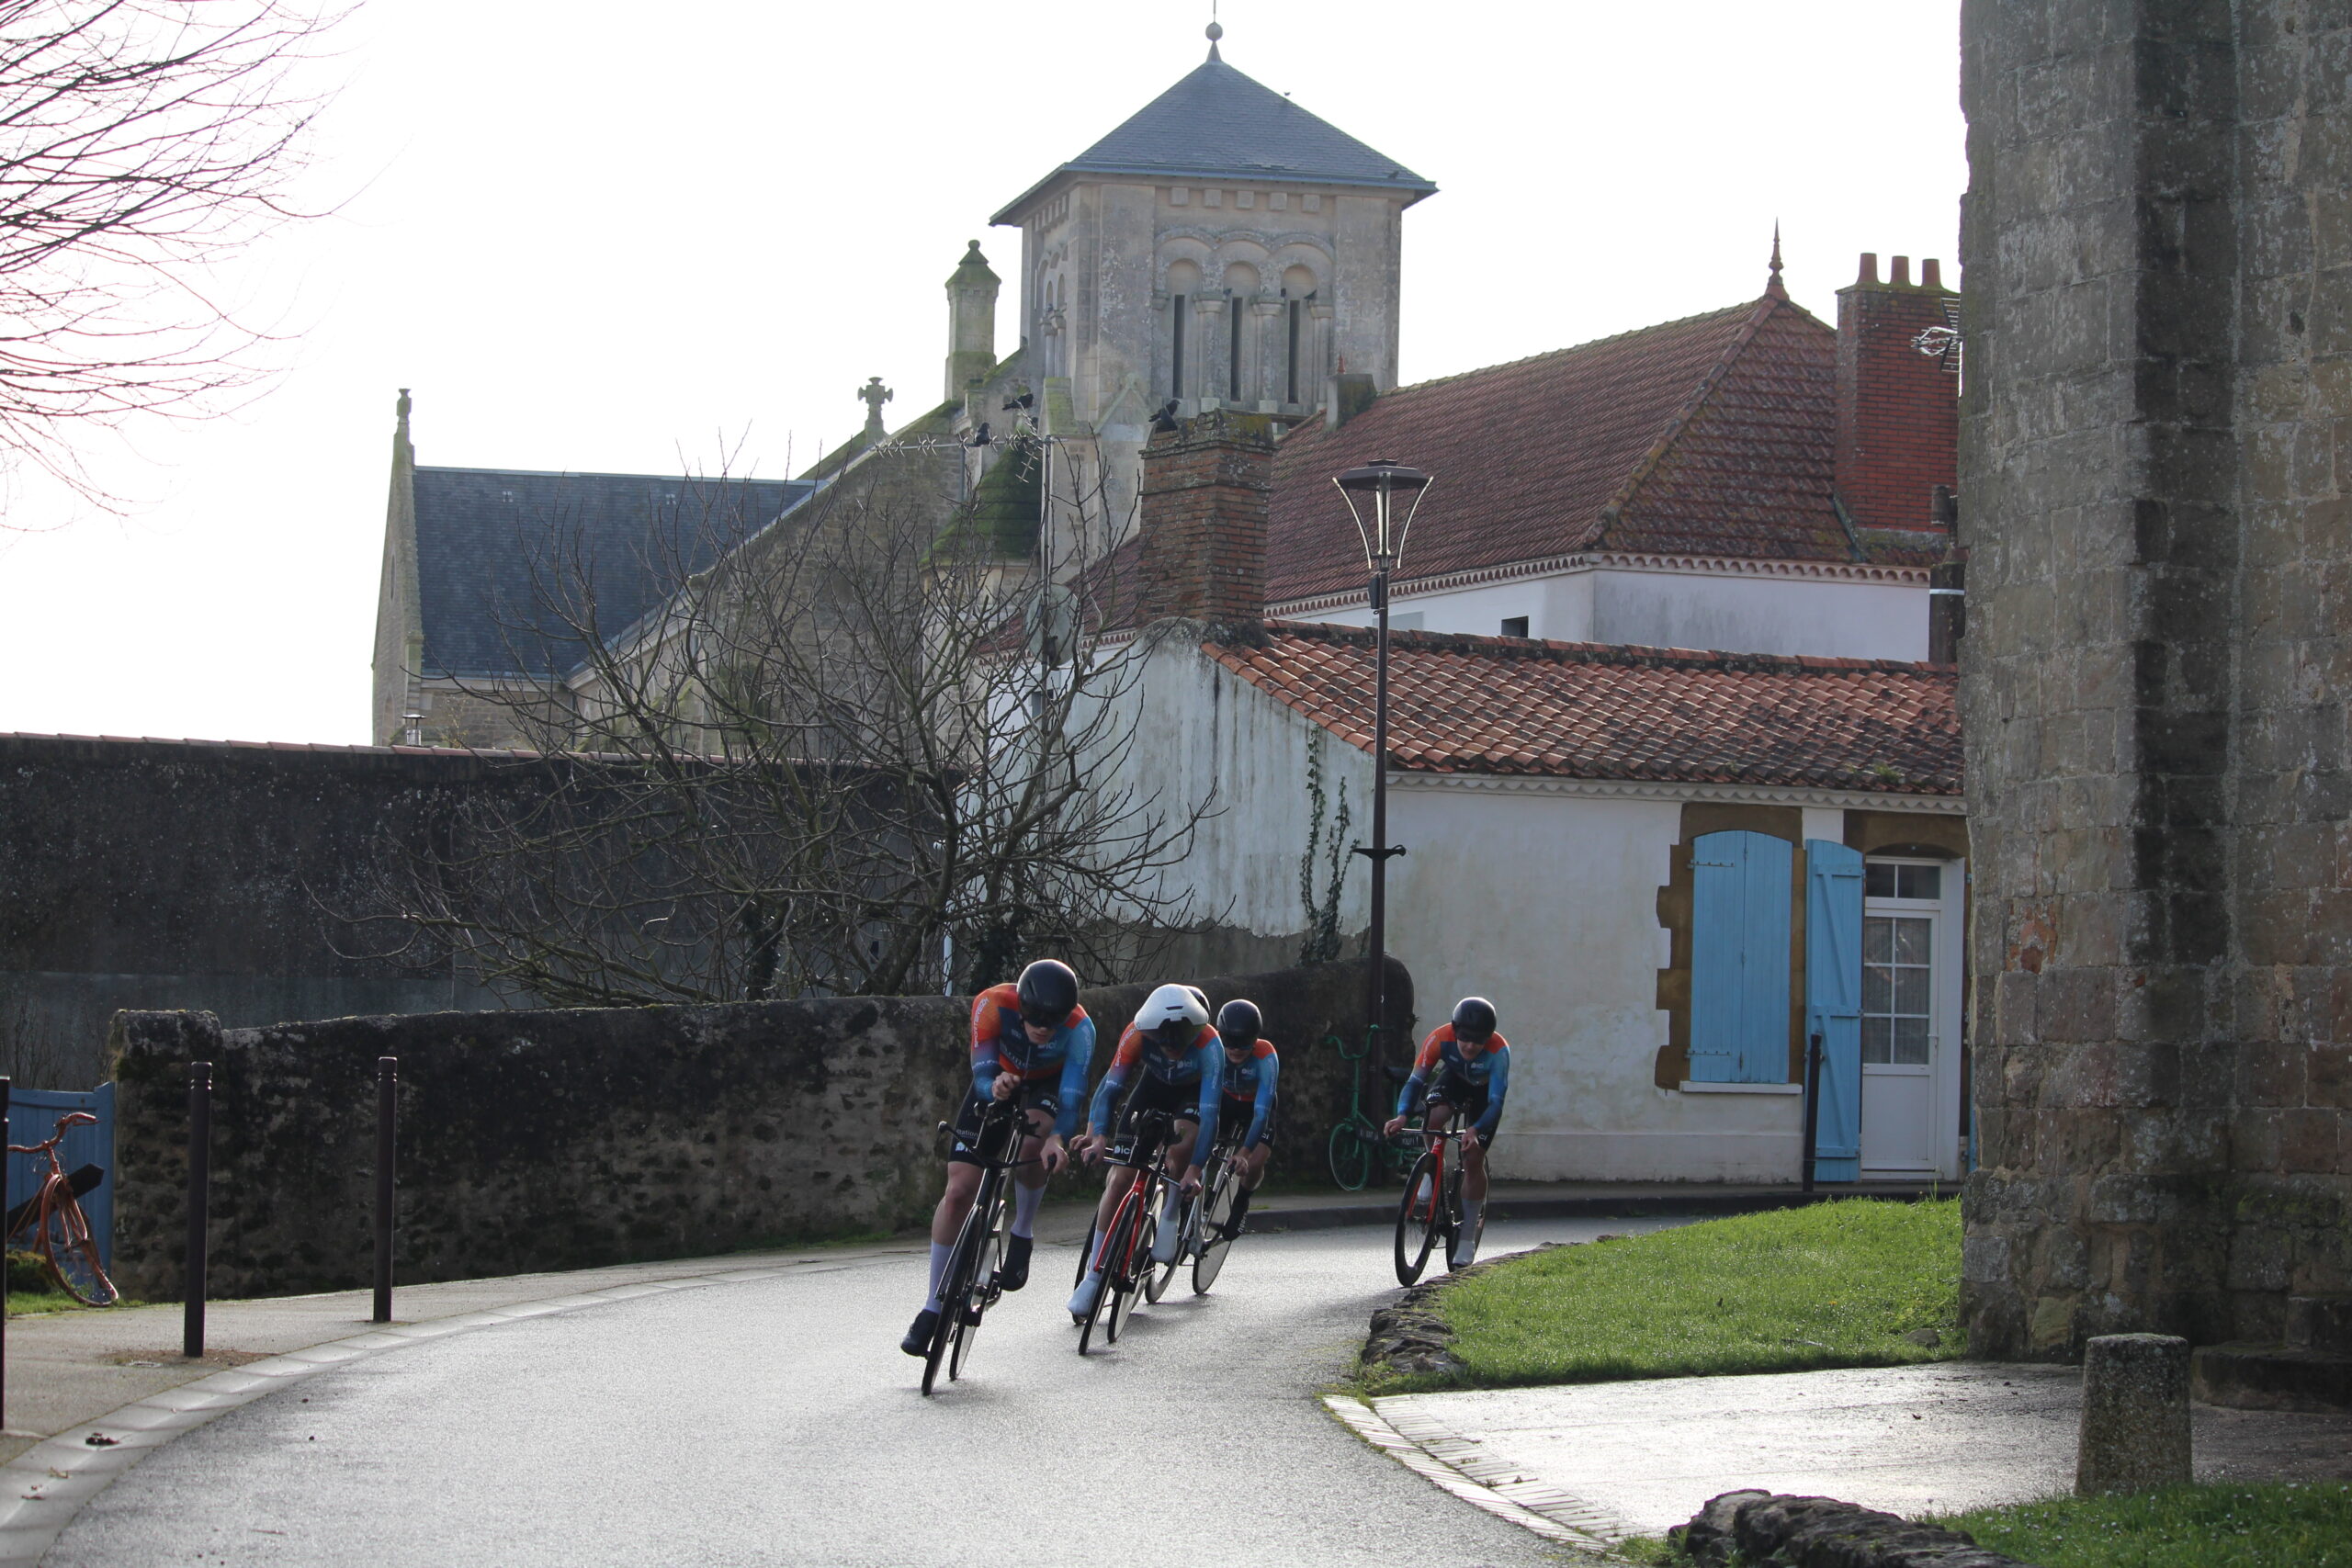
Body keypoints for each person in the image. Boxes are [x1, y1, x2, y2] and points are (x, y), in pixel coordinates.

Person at [901, 958, 1095, 1357]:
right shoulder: (992, 1003)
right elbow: (982, 1073)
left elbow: (1072, 1095)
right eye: (1035, 1019)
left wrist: (1057, 1139)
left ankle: (1022, 1230)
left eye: (1053, 1022)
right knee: (958, 1192)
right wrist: (995, 1086)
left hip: (1047, 1087)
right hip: (997, 1080)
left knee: (1033, 1142)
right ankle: (932, 1307)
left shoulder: (1081, 1029)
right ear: (1021, 1006)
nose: (1043, 1028)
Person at [1065, 983, 1222, 1316]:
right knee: (1120, 1178)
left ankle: (1171, 1211)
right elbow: (1110, 1088)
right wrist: (1098, 1136)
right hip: (1152, 1089)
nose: (1173, 1050)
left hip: (1191, 1097)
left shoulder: (1210, 1045)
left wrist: (1195, 1171)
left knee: (1180, 1144)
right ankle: (1094, 1276)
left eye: (1180, 1043)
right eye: (1165, 1044)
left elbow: (1210, 1114)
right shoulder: (1136, 1033)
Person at [1384, 996, 1510, 1269]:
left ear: (1488, 1037)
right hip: (1454, 1080)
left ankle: (1467, 1237)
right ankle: (1430, 1170)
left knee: (1473, 1157)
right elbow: (1415, 1080)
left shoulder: (1499, 1051)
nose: (1470, 1046)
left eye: (1478, 1040)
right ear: (1454, 1031)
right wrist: (1402, 1114)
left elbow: (1496, 1103)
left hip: (1484, 1095)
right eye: (1464, 1038)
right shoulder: (1439, 1038)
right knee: (1433, 1118)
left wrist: (1474, 1130)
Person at [1210, 998, 1278, 1237]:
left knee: (1257, 1160)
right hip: (1225, 1100)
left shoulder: (1266, 1056)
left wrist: (1244, 1153)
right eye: (1230, 1042)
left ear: (1255, 1039)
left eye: (1244, 1043)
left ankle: (1242, 1200)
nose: (1236, 1049)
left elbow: (1261, 1114)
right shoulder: (1213, 1048)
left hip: (1255, 1106)